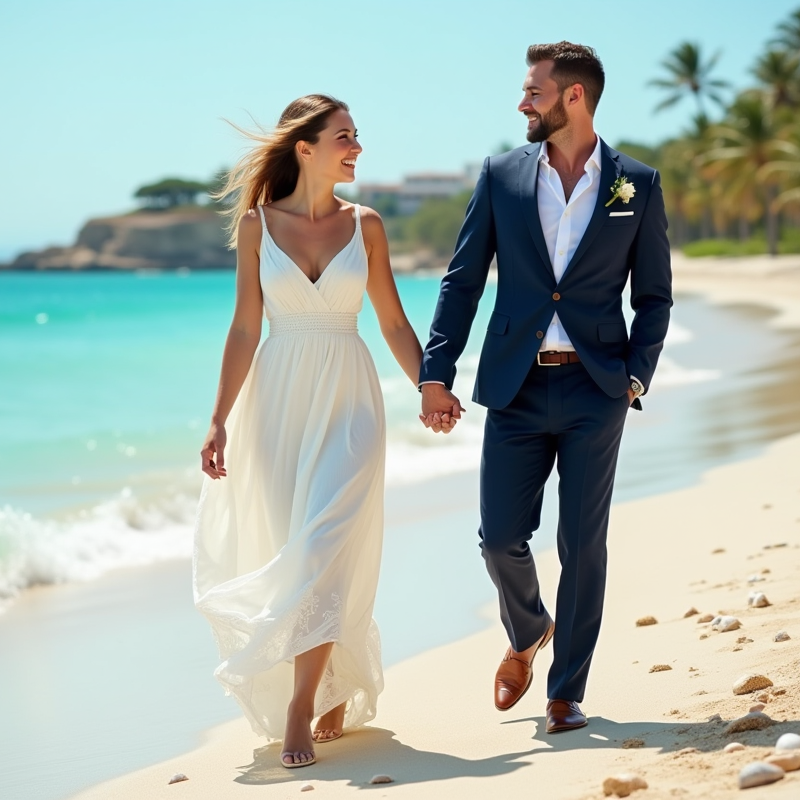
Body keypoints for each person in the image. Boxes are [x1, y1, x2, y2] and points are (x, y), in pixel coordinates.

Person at [419, 42, 672, 733]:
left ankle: (566, 692)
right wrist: (435, 373)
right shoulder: (501, 175)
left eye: (533, 91)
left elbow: (654, 296)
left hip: (597, 389)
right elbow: (463, 280)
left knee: (583, 546)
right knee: (499, 537)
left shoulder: (636, 186)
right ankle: (529, 629)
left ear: (573, 98)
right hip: (515, 387)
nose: (522, 103)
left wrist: (636, 373)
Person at [192, 94, 424, 768]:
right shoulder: (257, 226)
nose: (356, 148)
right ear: (305, 147)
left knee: (325, 545)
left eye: (357, 136)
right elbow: (243, 327)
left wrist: (430, 386)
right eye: (344, 137)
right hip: (277, 401)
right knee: (300, 553)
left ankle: (299, 705)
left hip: (350, 398)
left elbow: (393, 323)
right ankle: (321, 687)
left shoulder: (368, 225)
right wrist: (218, 419)